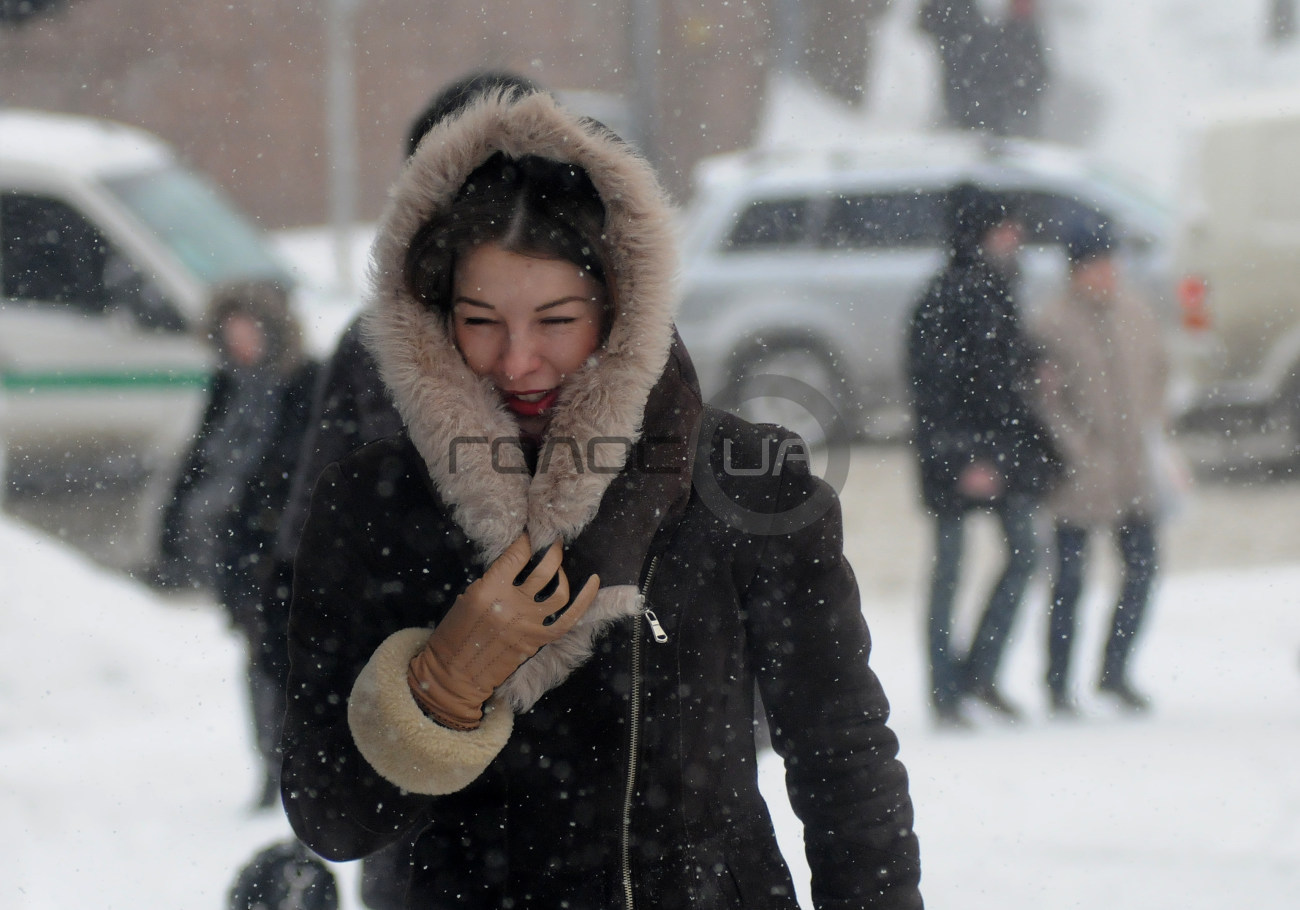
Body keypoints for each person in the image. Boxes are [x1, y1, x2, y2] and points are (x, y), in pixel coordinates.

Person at [280, 86, 923, 908]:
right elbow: (329, 816)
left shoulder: (745, 483)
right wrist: (438, 689)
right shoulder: (376, 505)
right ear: (435, 321)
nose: (518, 362)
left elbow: (844, 758)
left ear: (621, 310)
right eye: (482, 321)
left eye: (555, 320)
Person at [256, 69, 541, 910]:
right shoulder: (380, 349)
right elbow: (312, 559)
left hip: (590, 776)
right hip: (426, 752)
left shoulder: (614, 338)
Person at [152, 279, 319, 807]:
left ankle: (295, 765)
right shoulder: (228, 386)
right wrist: (173, 528)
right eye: (232, 332)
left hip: (281, 548)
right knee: (260, 659)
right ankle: (271, 764)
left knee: (286, 659)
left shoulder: (305, 383)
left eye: (251, 330)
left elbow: (299, 464)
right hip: (235, 548)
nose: (242, 342)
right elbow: (199, 459)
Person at [905, 183, 1061, 727]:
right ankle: (946, 692)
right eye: (1005, 227)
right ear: (979, 234)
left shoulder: (998, 290)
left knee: (1023, 554)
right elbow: (937, 394)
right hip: (961, 459)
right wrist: (965, 459)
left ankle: (979, 675)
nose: (1017, 236)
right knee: (950, 569)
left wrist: (1034, 362)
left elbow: (998, 376)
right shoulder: (946, 297)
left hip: (1002, 453)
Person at [1032, 218, 1172, 714]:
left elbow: (1159, 371)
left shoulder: (1136, 313)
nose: (1106, 272)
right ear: (1075, 269)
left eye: (1111, 261)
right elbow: (1045, 400)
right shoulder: (1051, 322)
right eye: (1096, 263)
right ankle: (1057, 682)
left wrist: (1149, 427)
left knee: (1143, 570)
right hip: (1080, 475)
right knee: (1070, 579)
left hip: (1134, 468)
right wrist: (1078, 447)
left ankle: (1115, 672)